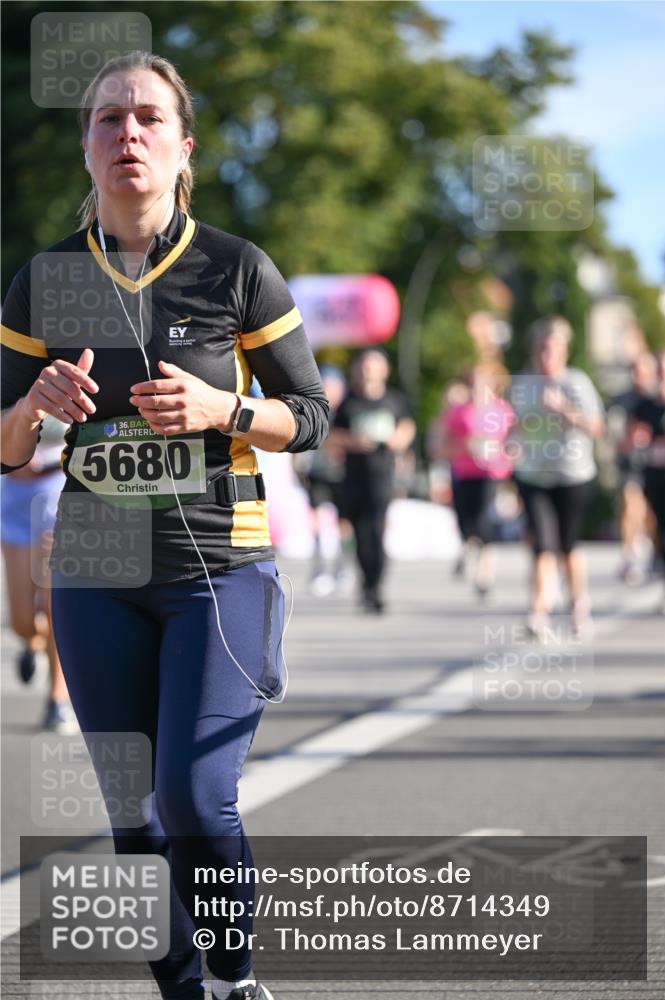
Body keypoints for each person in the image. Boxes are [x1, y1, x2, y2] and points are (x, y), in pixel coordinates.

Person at [0, 51, 328, 1000]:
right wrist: (33, 406)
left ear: (184, 148)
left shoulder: (236, 268)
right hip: (97, 566)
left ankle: (235, 978)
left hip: (215, 567)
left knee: (192, 796)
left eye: (147, 118)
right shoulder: (44, 280)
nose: (127, 133)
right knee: (134, 817)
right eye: (107, 119)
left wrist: (222, 410)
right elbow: (5, 444)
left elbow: (309, 416)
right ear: (87, 148)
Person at [509, 317, 605, 639]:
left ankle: (578, 605)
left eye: (551, 349)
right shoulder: (523, 384)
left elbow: (596, 428)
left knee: (567, 546)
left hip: (572, 475)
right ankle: (538, 613)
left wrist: (565, 409)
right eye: (540, 349)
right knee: (541, 544)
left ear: (564, 351)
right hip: (533, 475)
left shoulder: (576, 383)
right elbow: (514, 425)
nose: (544, 355)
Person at [1, 415, 77, 732]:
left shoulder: (67, 371)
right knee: (22, 622)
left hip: (55, 496)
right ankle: (33, 641)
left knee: (53, 605)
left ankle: (57, 699)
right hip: (14, 501)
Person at [330, 348, 415, 612]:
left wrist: (397, 440)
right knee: (359, 533)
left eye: (374, 366)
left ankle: (376, 586)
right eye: (364, 366)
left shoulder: (394, 400)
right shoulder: (349, 402)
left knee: (376, 531)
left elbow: (407, 427)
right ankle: (366, 582)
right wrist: (353, 442)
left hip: (382, 476)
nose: (368, 372)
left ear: (384, 371)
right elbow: (331, 436)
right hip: (353, 477)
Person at [433, 362, 515, 598]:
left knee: (483, 519)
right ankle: (468, 549)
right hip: (463, 470)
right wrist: (463, 446)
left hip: (491, 472)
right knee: (465, 521)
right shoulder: (459, 412)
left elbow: (514, 440)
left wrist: (508, 455)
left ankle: (485, 574)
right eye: (474, 381)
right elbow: (441, 443)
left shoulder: (502, 410)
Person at [293, 365, 351, 595]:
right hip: (317, 473)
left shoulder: (346, 412)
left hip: (342, 475)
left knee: (344, 523)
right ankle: (319, 568)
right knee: (316, 520)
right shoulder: (315, 410)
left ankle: (343, 567)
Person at [607, 351, 657, 584]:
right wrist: (627, 438)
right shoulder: (623, 400)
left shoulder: (657, 398)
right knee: (630, 502)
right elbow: (613, 430)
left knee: (650, 513)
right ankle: (629, 554)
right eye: (636, 371)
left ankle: (650, 550)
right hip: (630, 461)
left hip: (655, 464)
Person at [630, 348, 665, 614]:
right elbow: (631, 437)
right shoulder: (645, 405)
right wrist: (638, 438)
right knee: (663, 530)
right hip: (655, 475)